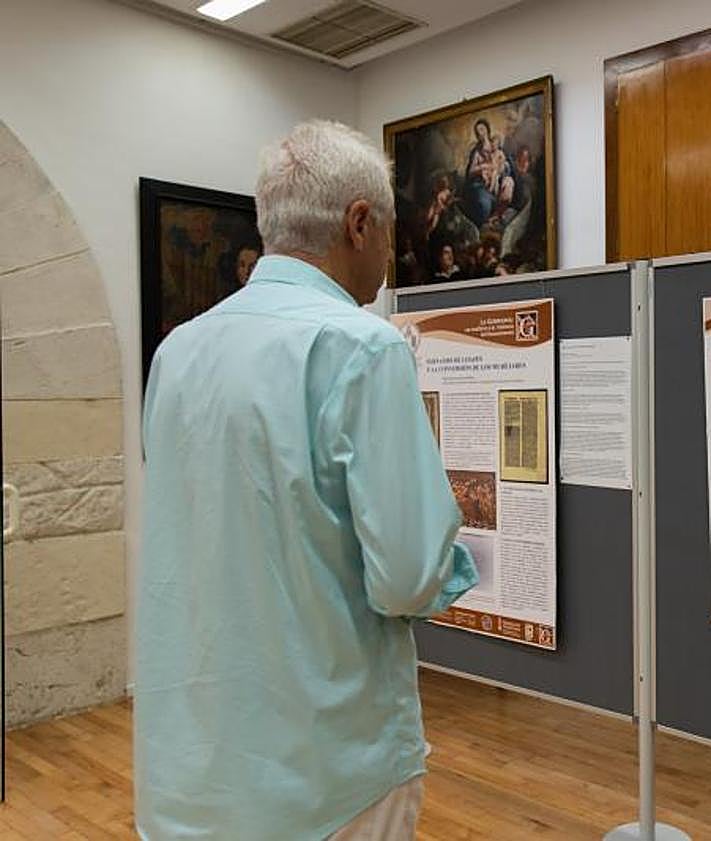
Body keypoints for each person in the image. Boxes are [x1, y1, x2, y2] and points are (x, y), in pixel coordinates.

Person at [135, 119, 478, 841]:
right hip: (327, 771)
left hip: (191, 769)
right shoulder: (361, 346)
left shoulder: (177, 353)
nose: (389, 250)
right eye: (388, 229)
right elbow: (408, 578)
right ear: (358, 223)